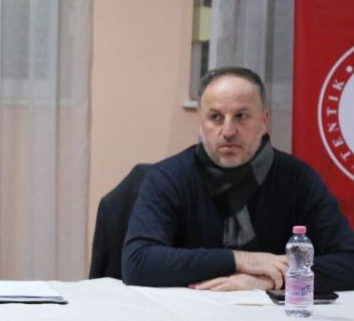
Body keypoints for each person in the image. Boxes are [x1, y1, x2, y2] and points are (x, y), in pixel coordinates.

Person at [123, 66, 354, 291]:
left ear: (264, 120)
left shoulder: (297, 179)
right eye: (215, 117)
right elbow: (138, 262)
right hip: (190, 312)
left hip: (272, 314)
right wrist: (241, 260)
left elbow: (348, 261)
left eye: (241, 116)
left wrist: (268, 280)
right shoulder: (168, 177)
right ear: (201, 122)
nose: (228, 131)